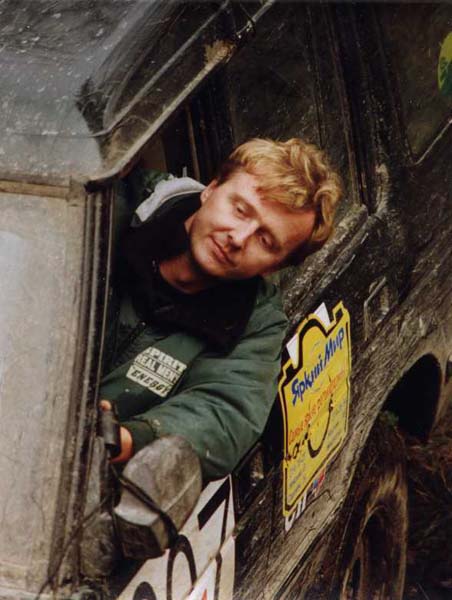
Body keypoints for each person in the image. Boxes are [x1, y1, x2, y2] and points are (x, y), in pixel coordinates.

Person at [99, 138, 342, 481]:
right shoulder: (111, 203)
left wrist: (127, 439)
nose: (238, 238)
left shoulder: (257, 325)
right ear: (211, 189)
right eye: (240, 210)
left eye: (265, 240)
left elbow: (224, 416)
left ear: (274, 267)